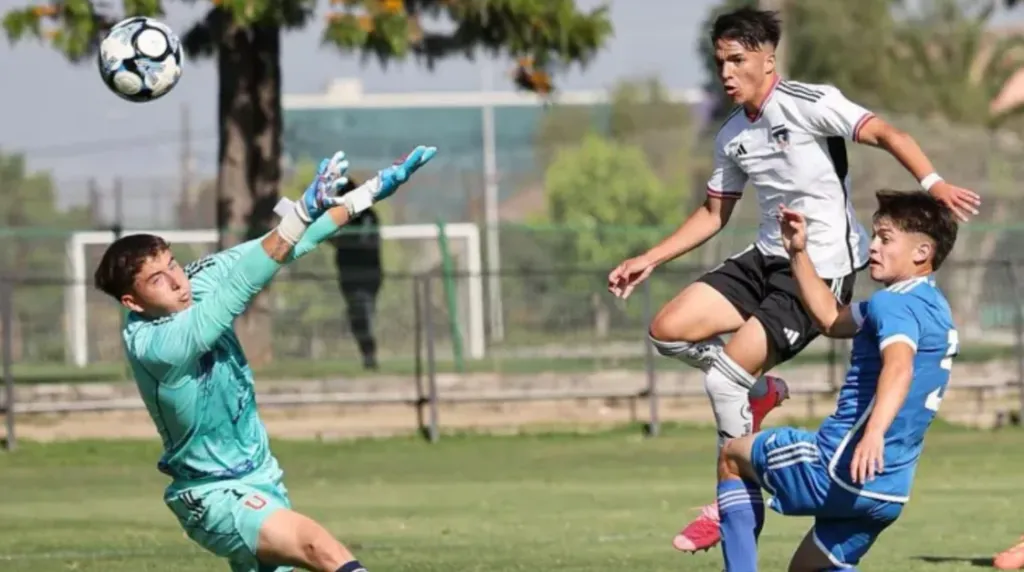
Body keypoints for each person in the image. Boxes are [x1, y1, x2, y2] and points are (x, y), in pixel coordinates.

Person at [605, 7, 981, 552]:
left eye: (738, 60)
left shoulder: (810, 102)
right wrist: (651, 258)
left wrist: (933, 181)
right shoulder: (732, 133)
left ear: (767, 59)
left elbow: (884, 131)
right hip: (765, 256)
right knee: (667, 330)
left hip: (821, 269)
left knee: (720, 381)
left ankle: (733, 497)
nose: (727, 72)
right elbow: (714, 215)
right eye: (720, 62)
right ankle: (756, 394)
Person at [92, 146, 437, 572]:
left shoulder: (192, 282)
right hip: (213, 495)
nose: (177, 281)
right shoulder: (156, 346)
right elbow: (241, 286)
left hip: (261, 477)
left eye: (173, 265)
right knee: (318, 546)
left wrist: (369, 192)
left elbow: (285, 247)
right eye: (157, 280)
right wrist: (297, 216)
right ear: (133, 301)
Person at [714, 190, 959, 571]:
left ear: (921, 252)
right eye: (875, 236)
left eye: (885, 239)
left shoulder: (892, 304)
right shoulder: (934, 308)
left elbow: (899, 367)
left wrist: (874, 433)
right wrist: (798, 252)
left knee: (732, 455)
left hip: (837, 467)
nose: (873, 247)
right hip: (888, 489)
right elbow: (830, 318)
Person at [331, 178, 383, 370]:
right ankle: (367, 354)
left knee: (362, 313)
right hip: (347, 274)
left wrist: (337, 239)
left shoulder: (367, 217)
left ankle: (369, 355)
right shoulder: (342, 218)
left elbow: (361, 242)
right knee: (356, 317)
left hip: (366, 275)